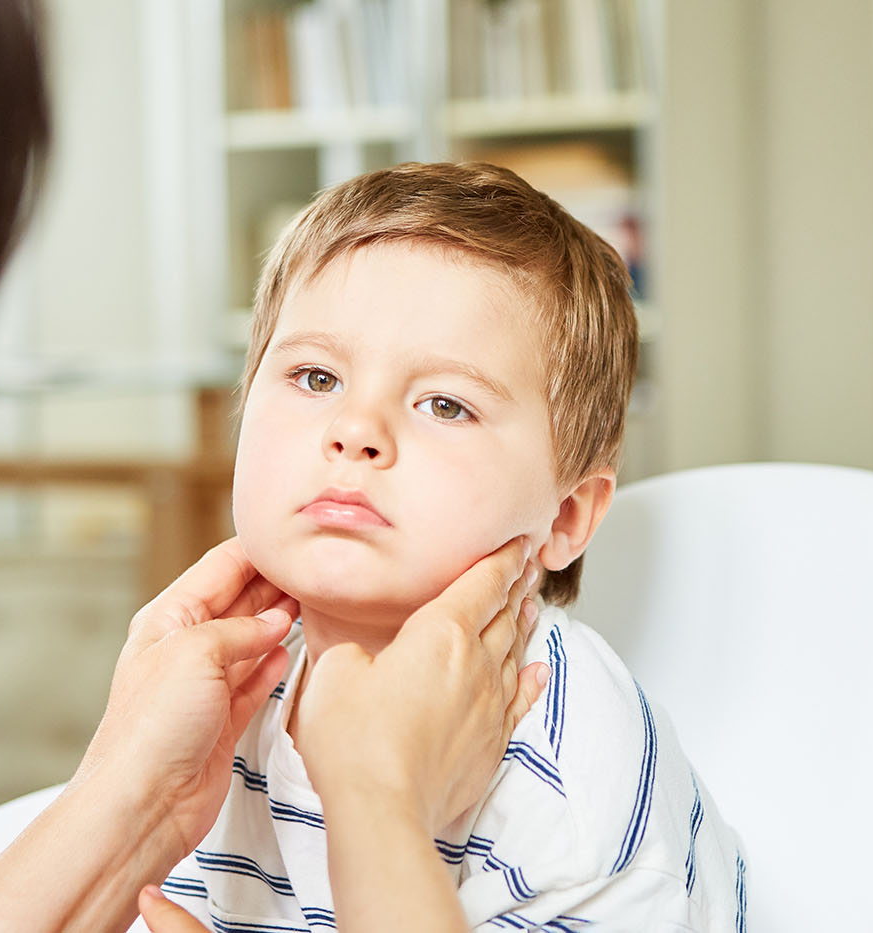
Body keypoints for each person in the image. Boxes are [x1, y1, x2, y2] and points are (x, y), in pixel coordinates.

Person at [0, 4, 547, 932]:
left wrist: (133, 800)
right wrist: (381, 804)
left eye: (445, 403)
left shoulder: (571, 747)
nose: (357, 434)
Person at [139, 162, 748, 933]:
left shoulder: (570, 766)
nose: (356, 430)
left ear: (564, 517)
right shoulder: (212, 697)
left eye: (444, 404)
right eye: (317, 376)